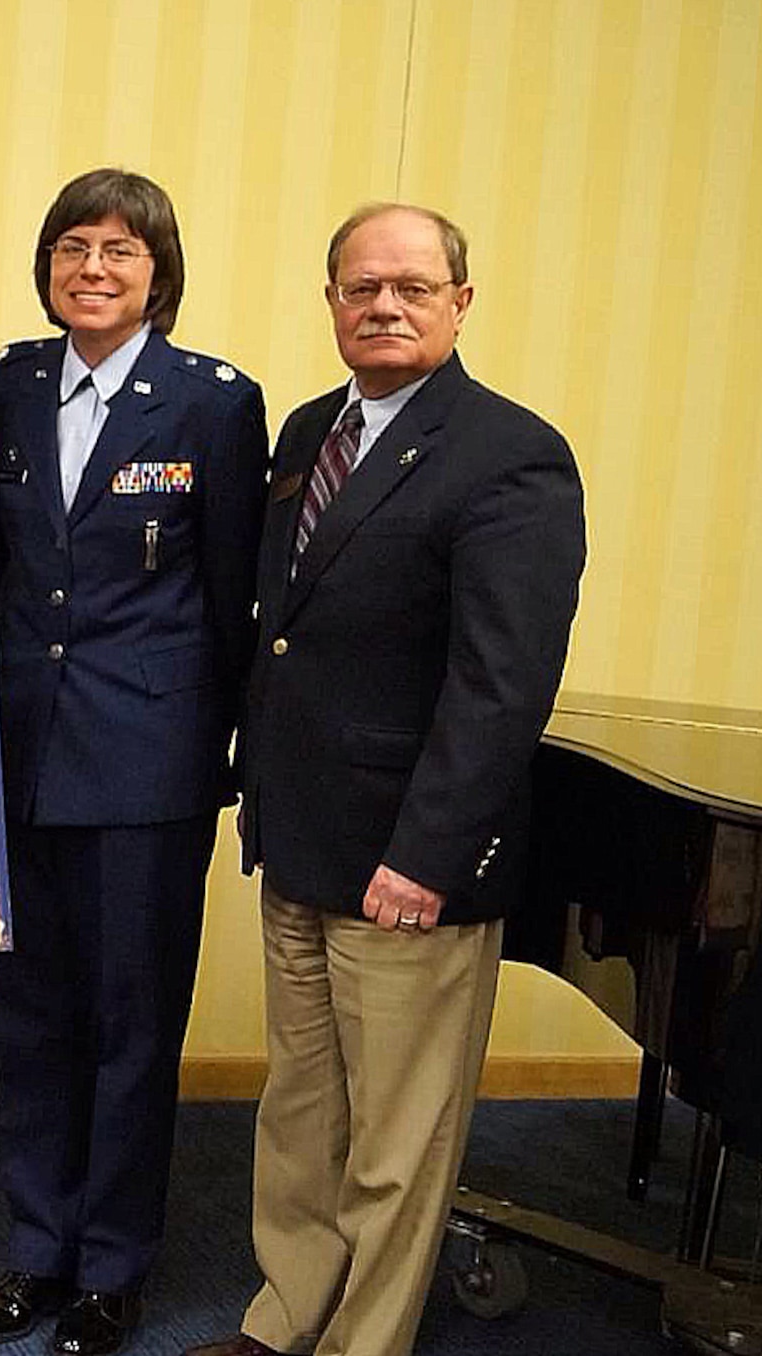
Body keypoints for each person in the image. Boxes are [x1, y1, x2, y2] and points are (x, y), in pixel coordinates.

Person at [185, 203, 584, 1356]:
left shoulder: (509, 452)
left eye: (412, 286)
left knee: (396, 1139)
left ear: (461, 302)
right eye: (361, 287)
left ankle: (364, 1342)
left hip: (406, 860)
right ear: (330, 304)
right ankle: (285, 1317)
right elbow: (283, 633)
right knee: (302, 1111)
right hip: (299, 838)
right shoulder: (310, 431)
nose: (384, 306)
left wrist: (427, 855)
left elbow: (500, 683)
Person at [0, 170, 266, 1356]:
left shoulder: (209, 403)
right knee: (27, 1013)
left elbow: (233, 590)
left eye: (119, 252)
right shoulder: (8, 385)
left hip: (147, 759)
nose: (93, 268)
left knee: (131, 1023)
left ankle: (110, 1269)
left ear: (158, 273)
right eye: (72, 247)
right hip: (20, 746)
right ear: (46, 266)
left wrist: (219, 747)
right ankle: (34, 1251)